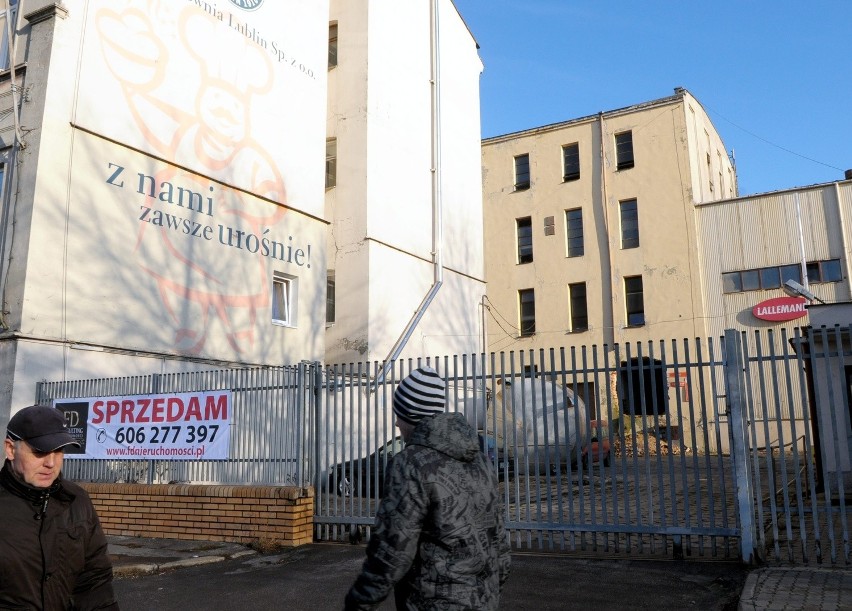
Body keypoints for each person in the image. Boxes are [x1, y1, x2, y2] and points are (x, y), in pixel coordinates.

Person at [345, 367, 510, 610]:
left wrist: (357, 605)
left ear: (410, 416)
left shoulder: (409, 464)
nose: (396, 422)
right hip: (484, 601)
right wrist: (489, 591)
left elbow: (391, 553)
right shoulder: (481, 462)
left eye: (398, 414)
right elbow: (499, 541)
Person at [0, 404, 119, 610]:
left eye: (59, 451)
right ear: (11, 449)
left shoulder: (76, 500)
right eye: (40, 451)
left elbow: (94, 581)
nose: (51, 463)